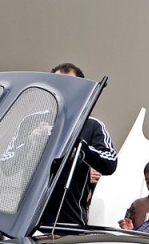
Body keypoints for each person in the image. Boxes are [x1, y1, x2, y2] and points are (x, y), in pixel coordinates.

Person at [41, 62, 118, 227]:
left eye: (69, 86)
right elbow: (7, 165)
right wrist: (31, 143)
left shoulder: (92, 125)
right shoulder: (33, 121)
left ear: (81, 92)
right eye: (57, 84)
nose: (62, 90)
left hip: (71, 222)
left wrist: (79, 147)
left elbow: (110, 163)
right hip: (26, 221)